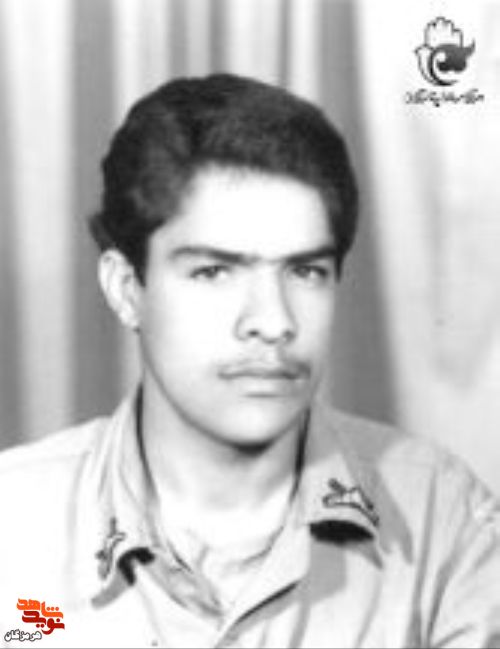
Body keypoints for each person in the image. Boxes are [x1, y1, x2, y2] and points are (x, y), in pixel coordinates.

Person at [0, 73, 499, 649]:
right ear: (126, 288)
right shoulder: (13, 531)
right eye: (214, 271)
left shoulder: (443, 523)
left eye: (305, 271)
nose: (273, 320)